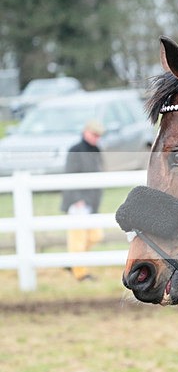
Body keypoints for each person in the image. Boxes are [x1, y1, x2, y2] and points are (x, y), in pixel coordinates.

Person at [60, 120, 105, 281]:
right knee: (78, 239)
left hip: (91, 202)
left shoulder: (96, 150)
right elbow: (69, 175)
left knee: (95, 236)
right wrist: (77, 198)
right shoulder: (76, 150)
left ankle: (73, 263)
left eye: (98, 135)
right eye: (94, 134)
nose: (96, 138)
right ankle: (80, 273)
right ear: (86, 132)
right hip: (77, 202)